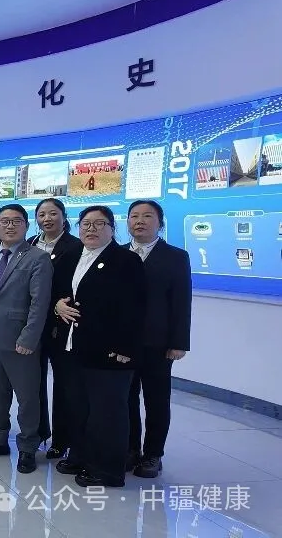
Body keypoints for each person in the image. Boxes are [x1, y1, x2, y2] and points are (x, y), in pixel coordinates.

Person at [53, 205, 146, 488]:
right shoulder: (71, 256)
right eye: (85, 224)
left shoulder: (126, 260)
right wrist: (57, 306)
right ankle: (81, 456)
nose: (91, 229)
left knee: (108, 412)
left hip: (110, 351)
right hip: (73, 347)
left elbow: (135, 308)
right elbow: (57, 292)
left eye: (99, 224)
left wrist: (125, 348)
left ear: (112, 229)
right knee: (79, 407)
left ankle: (107, 470)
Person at [0, 204, 53, 474]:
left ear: (27, 226)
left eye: (16, 221)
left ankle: (28, 447)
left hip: (20, 340)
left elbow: (39, 303)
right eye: (4, 221)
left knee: (27, 398)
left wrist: (29, 338)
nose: (10, 226)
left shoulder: (38, 257)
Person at [124, 200, 191, 478]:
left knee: (156, 401)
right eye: (134, 216)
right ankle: (129, 449)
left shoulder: (175, 256)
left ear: (160, 223)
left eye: (147, 216)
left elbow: (181, 302)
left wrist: (179, 342)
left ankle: (153, 454)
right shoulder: (117, 254)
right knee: (125, 399)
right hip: (122, 342)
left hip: (158, 343)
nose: (139, 221)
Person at [29, 197, 82, 458]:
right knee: (34, 382)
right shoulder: (29, 244)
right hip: (31, 325)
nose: (47, 219)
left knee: (64, 385)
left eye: (52, 213)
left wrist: (58, 303)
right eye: (42, 214)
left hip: (61, 326)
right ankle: (40, 432)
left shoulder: (77, 246)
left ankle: (62, 440)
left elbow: (78, 284)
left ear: (63, 216)